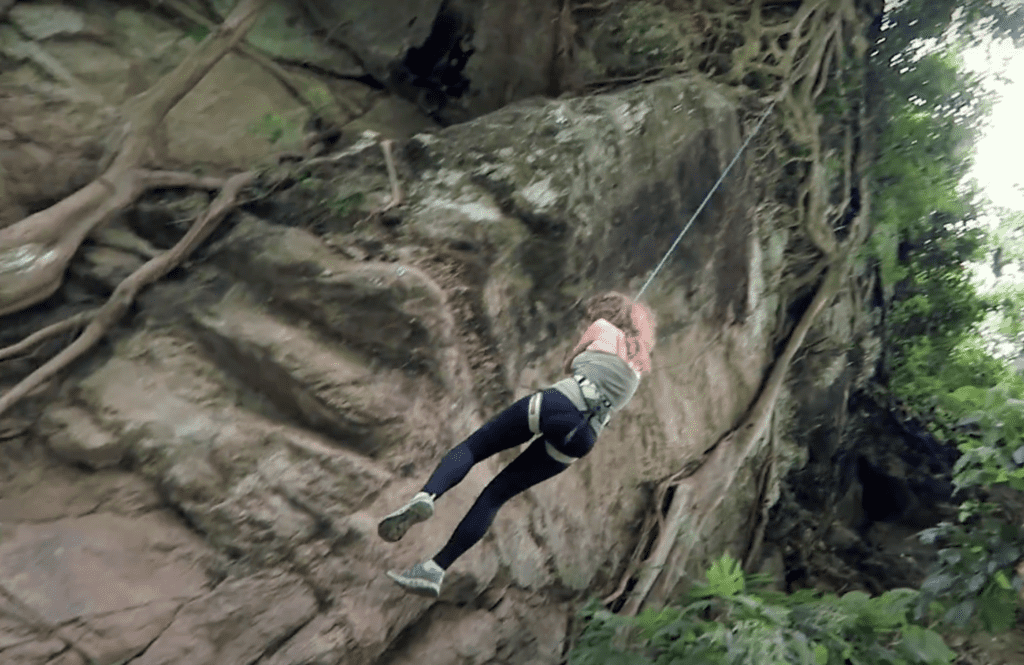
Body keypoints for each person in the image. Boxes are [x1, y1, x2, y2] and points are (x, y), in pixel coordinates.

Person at [378, 291, 657, 597]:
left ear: (607, 313)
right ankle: (435, 570)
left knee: (474, 447)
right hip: (582, 438)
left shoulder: (602, 328)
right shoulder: (639, 369)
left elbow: (570, 364)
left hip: (559, 404)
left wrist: (588, 346)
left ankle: (427, 496)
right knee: (496, 495)